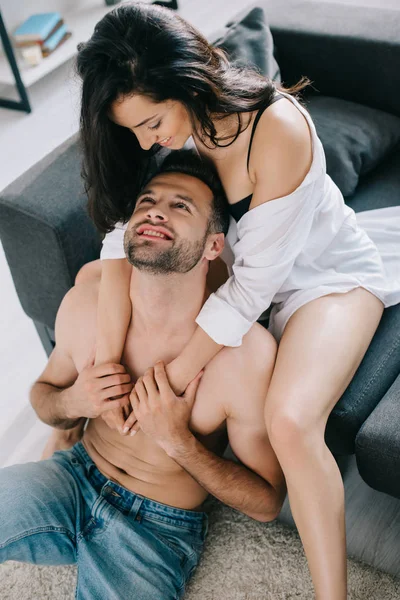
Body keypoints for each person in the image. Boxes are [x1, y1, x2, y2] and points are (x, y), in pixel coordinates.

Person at [45, 4, 400, 599]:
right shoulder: (167, 131)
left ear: (187, 83)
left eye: (151, 122)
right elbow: (117, 241)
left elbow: (252, 289)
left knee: (291, 422)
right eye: (132, 129)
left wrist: (166, 383)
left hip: (319, 281)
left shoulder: (275, 129)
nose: (145, 140)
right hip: (232, 282)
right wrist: (107, 369)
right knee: (92, 281)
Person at [0, 152, 286, 599]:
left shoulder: (243, 354)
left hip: (157, 525)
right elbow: (43, 396)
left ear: (213, 246)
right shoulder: (89, 300)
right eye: (146, 202)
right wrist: (76, 402)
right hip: (72, 478)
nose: (155, 209)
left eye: (181, 206)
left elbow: (268, 503)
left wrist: (180, 443)